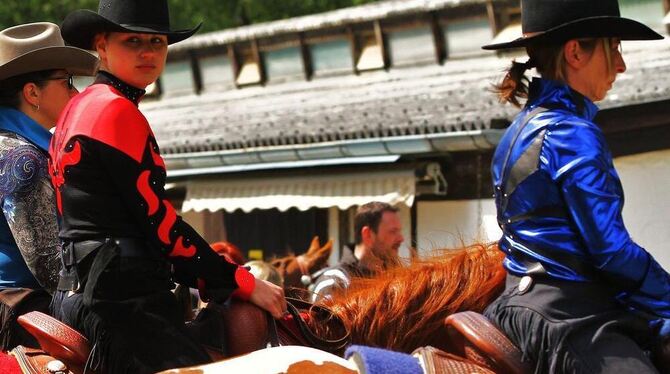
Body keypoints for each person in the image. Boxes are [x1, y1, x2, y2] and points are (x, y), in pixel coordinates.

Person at [49, 1, 285, 372]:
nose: (148, 52)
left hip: (76, 291)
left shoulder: (80, 106)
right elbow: (160, 226)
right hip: (119, 305)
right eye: (133, 41)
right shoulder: (115, 109)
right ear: (102, 45)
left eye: (157, 42)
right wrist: (240, 280)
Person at [481, 1, 669, 373]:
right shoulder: (572, 133)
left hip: (516, 306)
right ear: (575, 51)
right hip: (568, 319)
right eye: (613, 46)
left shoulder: (516, 130)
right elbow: (611, 253)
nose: (621, 64)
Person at [0, 22, 97, 350]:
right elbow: (52, 270)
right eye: (67, 81)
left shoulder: (13, 145)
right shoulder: (23, 158)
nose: (77, 93)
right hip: (23, 309)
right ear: (32, 93)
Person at [311, 202, 404, 301]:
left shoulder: (397, 281)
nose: (401, 238)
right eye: (393, 231)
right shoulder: (335, 282)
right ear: (367, 234)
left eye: (399, 231)